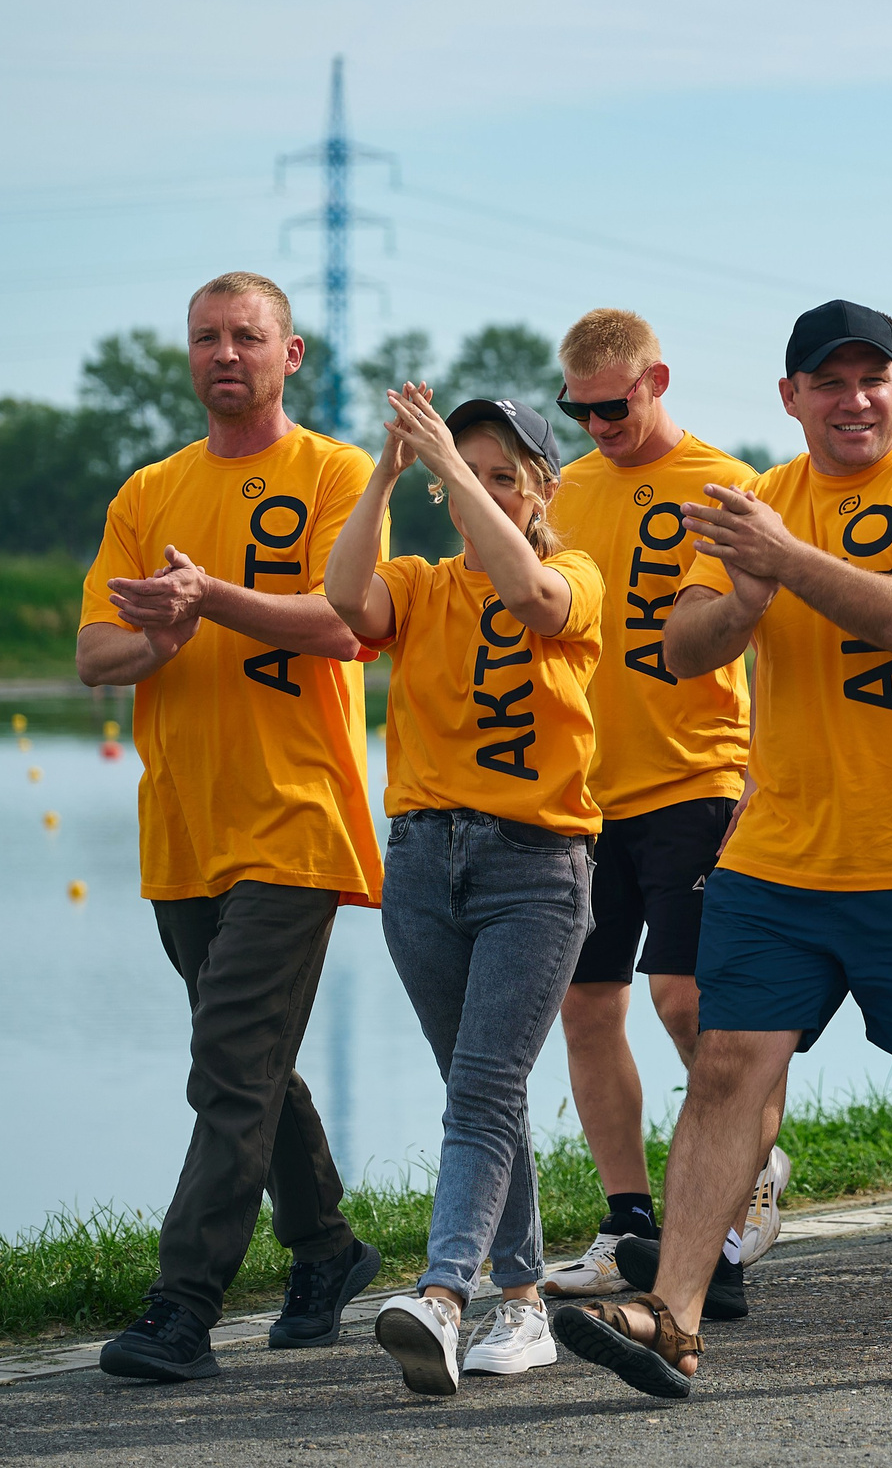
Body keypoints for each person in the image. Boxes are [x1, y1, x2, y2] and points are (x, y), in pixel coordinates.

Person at [552, 300, 892, 1395]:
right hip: (777, 850)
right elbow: (681, 642)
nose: (852, 398)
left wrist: (785, 560)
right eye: (828, 380)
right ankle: (673, 1308)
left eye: (873, 378)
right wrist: (748, 587)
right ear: (791, 396)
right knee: (723, 1067)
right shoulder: (757, 502)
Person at [89, 273, 386, 1385]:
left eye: (246, 336)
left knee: (227, 1064)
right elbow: (91, 654)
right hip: (181, 824)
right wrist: (158, 638)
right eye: (207, 337)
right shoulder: (148, 490)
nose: (226, 353)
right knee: (249, 1062)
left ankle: (182, 1306)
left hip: (296, 816)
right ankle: (327, 1249)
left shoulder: (336, 473)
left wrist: (209, 598)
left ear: (290, 354)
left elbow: (347, 621)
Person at [323, 388, 601, 1393]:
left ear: (542, 491)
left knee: (482, 1090)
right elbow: (345, 600)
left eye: (504, 476)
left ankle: (442, 1294)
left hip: (535, 868)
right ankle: (522, 1303)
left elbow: (530, 597)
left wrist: (449, 458)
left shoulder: (574, 572)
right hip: (423, 864)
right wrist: (389, 471)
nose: (482, 490)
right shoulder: (422, 581)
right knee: (481, 1091)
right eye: (467, 476)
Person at [534, 309, 791, 1307]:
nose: (598, 423)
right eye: (580, 409)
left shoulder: (727, 484)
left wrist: (762, 778)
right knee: (586, 1004)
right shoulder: (563, 490)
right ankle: (628, 1218)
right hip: (581, 795)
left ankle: (744, 1174)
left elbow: (772, 643)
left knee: (684, 997)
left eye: (615, 403)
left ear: (658, 379)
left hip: (699, 775)